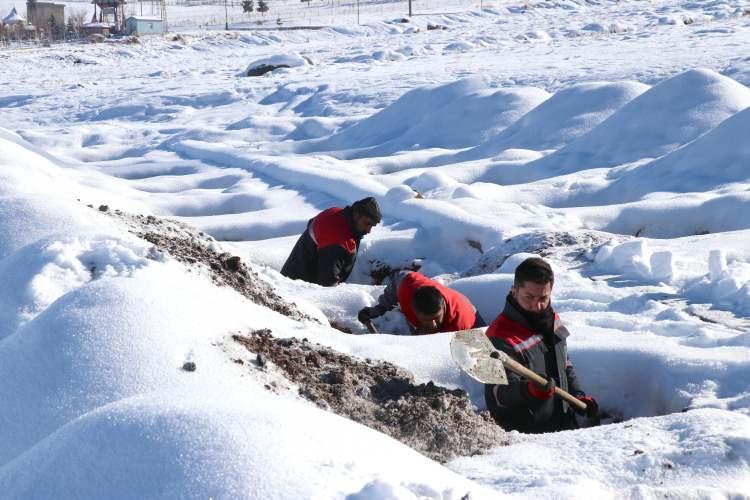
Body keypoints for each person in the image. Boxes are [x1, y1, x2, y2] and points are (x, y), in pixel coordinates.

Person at [484, 257, 598, 433]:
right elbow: (498, 396)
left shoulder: (552, 319)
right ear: (514, 291)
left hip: (564, 425)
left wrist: (578, 395)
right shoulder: (498, 337)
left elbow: (565, 363)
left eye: (543, 298)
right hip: (530, 437)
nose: (537, 305)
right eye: (529, 297)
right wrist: (529, 390)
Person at [281, 197, 381, 286]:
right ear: (356, 215)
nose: (369, 231)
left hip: (290, 280)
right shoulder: (337, 240)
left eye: (372, 226)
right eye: (367, 224)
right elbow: (328, 283)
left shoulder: (336, 213)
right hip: (299, 290)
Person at [357, 271, 486, 335]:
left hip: (471, 315)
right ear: (414, 310)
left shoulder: (458, 326)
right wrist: (379, 309)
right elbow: (398, 280)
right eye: (426, 320)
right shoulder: (407, 285)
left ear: (443, 308)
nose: (433, 324)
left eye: (436, 318)